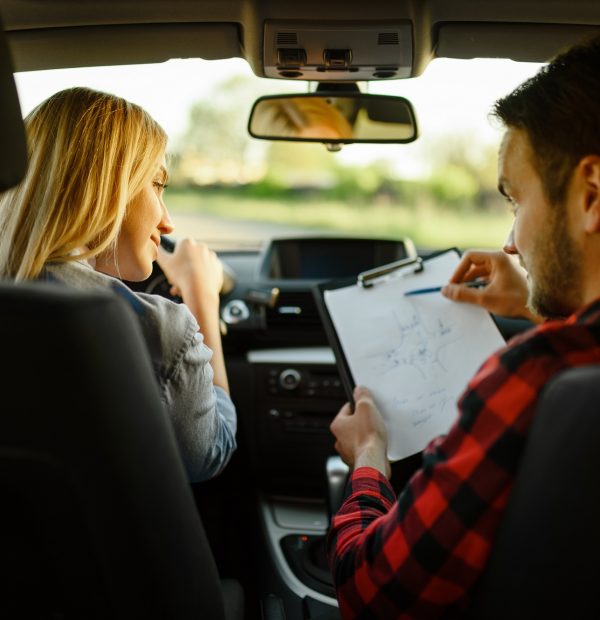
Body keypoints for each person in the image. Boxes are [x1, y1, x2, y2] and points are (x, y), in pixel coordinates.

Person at [326, 35, 600, 618]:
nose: (510, 242)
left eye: (515, 200)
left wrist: (370, 458)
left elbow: (371, 593)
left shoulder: (535, 375)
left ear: (592, 195)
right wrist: (532, 306)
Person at [0, 86, 236, 484]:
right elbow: (210, 453)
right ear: (107, 187)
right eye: (157, 185)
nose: (167, 221)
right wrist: (201, 296)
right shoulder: (158, 326)